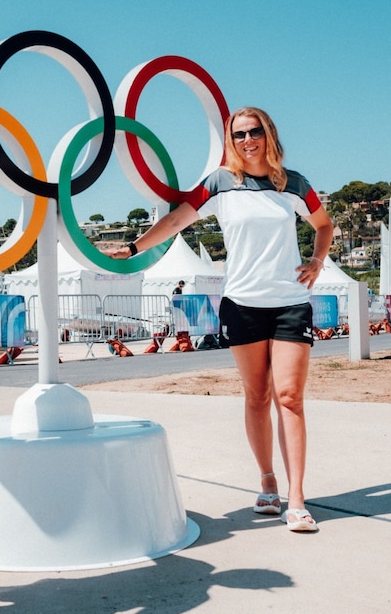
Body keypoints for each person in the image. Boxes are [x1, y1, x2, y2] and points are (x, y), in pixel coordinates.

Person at [113, 106, 333, 533]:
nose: (247, 140)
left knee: (289, 397)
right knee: (256, 397)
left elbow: (324, 225)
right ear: (230, 142)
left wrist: (317, 261)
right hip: (242, 304)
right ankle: (267, 481)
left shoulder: (294, 184)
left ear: (268, 134)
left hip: (289, 302)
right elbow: (178, 219)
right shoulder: (219, 183)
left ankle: (297, 498)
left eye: (254, 132)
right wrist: (134, 247)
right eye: (238, 135)